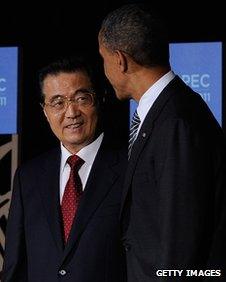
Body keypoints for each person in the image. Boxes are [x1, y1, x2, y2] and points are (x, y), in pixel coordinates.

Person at [98, 3, 226, 281]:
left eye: (103, 59)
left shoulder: (176, 122)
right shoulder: (166, 112)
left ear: (120, 60)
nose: (104, 70)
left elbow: (181, 242)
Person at [2, 56, 127, 282]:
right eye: (58, 102)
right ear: (45, 111)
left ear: (99, 99)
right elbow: (15, 265)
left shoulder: (130, 168)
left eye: (81, 98)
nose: (71, 113)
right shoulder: (28, 176)